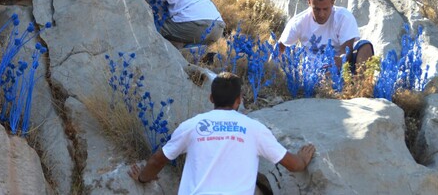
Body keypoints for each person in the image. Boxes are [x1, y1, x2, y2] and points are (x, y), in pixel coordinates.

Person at [128, 72, 316, 194]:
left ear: (211, 98)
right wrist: (303, 159)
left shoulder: (192, 126)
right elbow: (293, 165)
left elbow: (158, 160)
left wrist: (143, 177)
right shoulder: (254, 129)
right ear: (238, 100)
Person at [278, 0, 374, 73]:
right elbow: (279, 48)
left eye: (325, 9)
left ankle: (362, 88)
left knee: (365, 46)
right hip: (312, 73)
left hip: (340, 68)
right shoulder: (298, 22)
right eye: (316, 9)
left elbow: (346, 50)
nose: (321, 14)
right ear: (309, 2)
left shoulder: (344, 17)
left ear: (333, 2)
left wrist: (338, 61)